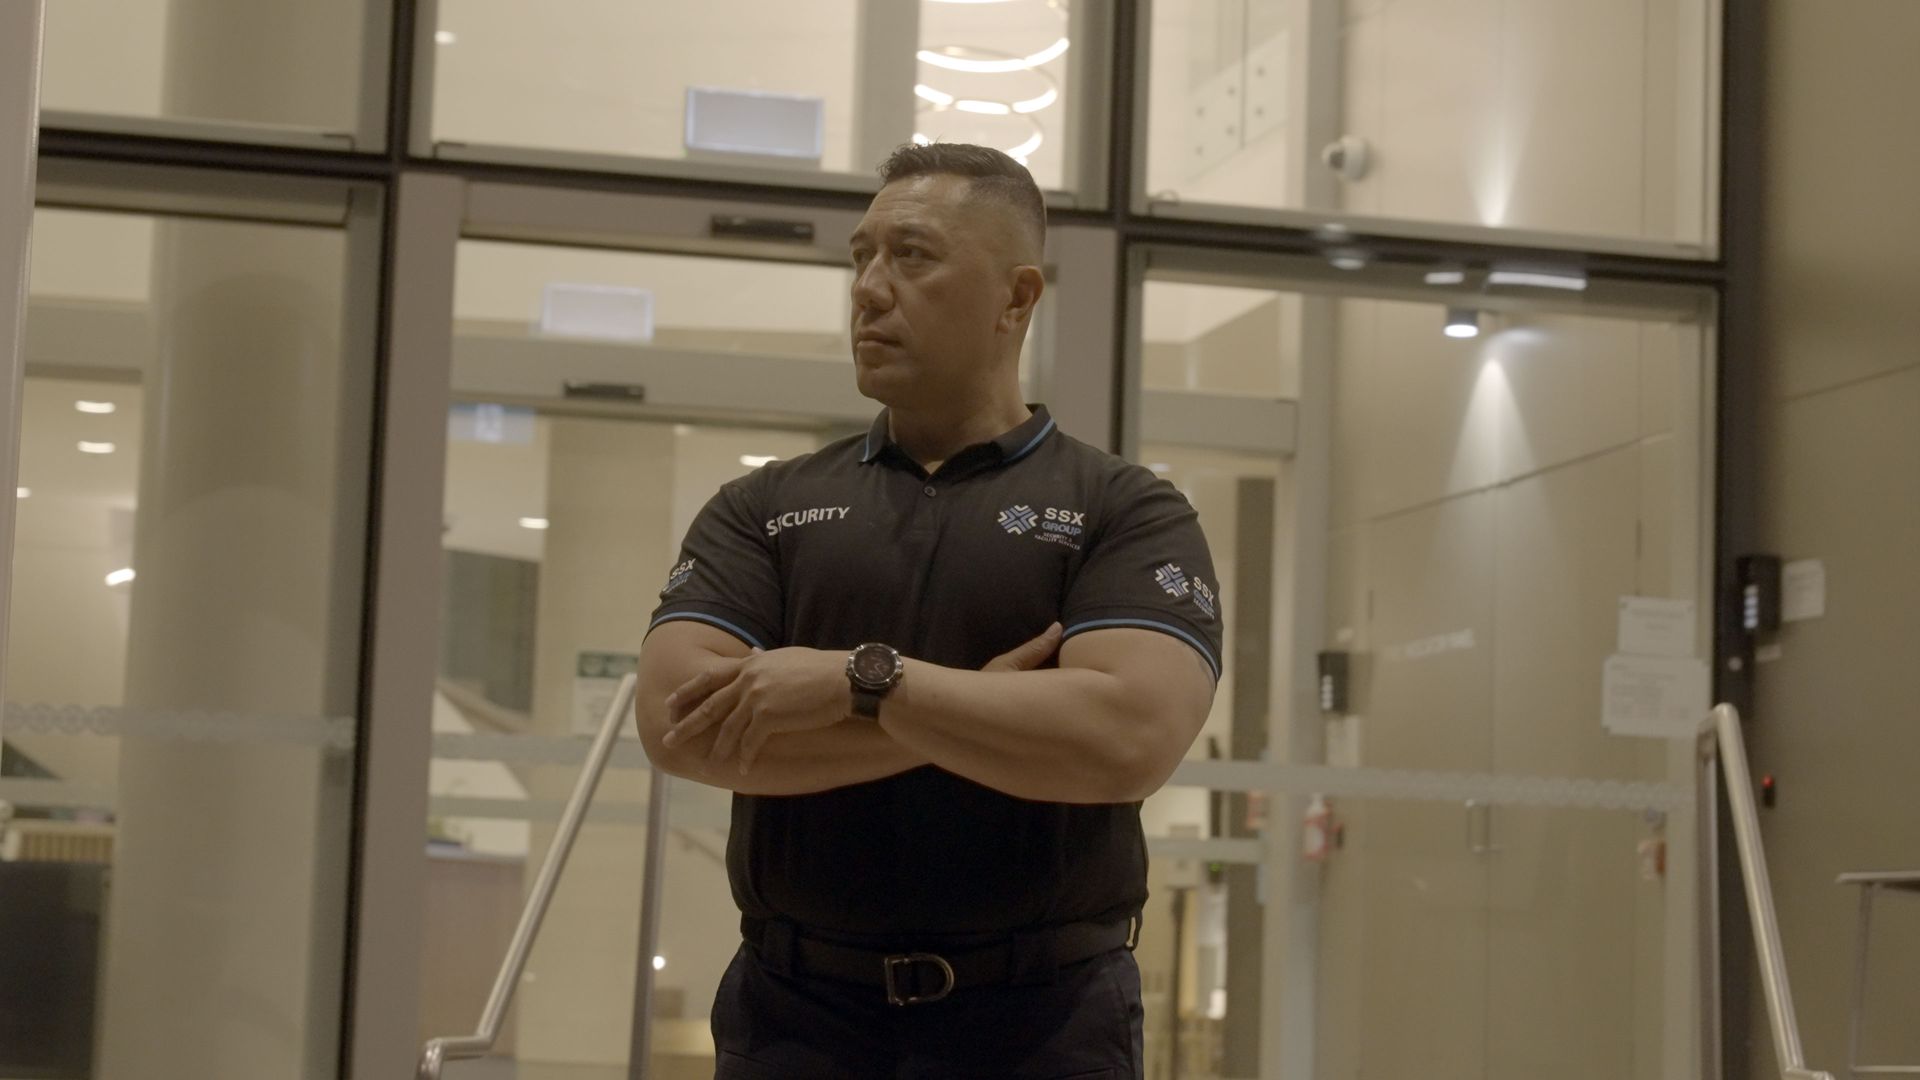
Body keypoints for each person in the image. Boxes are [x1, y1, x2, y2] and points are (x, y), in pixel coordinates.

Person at [637, 142, 1222, 1080]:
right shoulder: (766, 507)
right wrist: (983, 712)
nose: (870, 288)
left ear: (1017, 298)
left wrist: (854, 683)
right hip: (796, 1019)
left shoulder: (1124, 509)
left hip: (1043, 1023)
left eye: (911, 256)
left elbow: (1126, 739)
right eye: (861, 257)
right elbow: (682, 722)